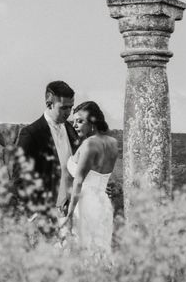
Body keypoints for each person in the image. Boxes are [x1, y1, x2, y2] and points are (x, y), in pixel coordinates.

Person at [59, 101, 118, 253]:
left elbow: (79, 182)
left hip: (85, 203)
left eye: (80, 121)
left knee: (80, 250)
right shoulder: (112, 143)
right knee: (100, 250)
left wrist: (69, 216)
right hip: (103, 203)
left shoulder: (89, 144)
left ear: (92, 122)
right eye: (74, 121)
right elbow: (100, 174)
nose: (75, 125)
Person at [16, 81, 80, 215]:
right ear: (49, 103)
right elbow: (20, 179)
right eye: (63, 108)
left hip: (73, 213)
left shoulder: (72, 130)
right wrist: (34, 215)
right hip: (45, 216)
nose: (68, 112)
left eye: (71, 107)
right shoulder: (31, 133)